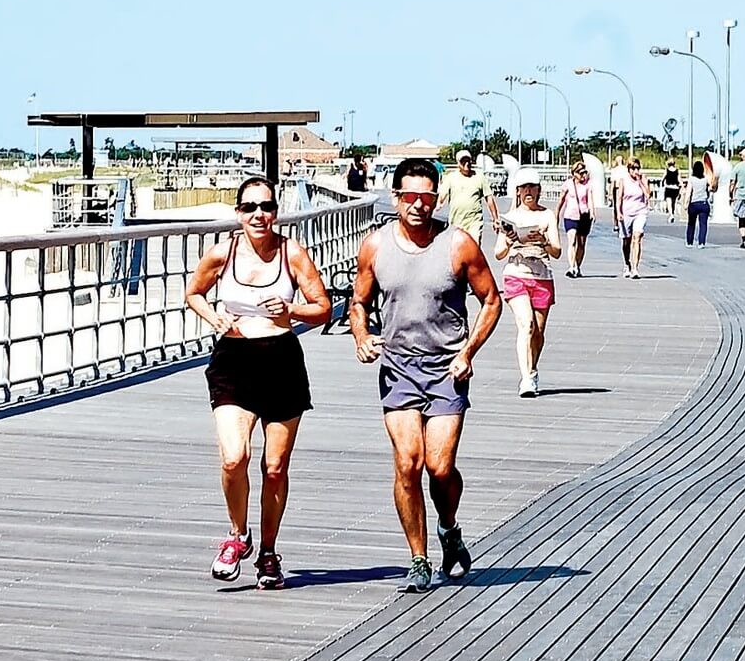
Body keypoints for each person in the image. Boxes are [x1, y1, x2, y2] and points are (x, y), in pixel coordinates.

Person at [351, 158, 503, 592]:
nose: (418, 205)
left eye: (427, 197)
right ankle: (418, 558)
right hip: (398, 367)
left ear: (438, 198)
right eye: (409, 196)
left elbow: (491, 300)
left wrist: (469, 351)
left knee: (440, 468)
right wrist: (361, 335)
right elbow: (358, 301)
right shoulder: (376, 246)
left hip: (446, 369)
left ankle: (449, 529)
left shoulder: (458, 245)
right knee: (408, 463)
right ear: (395, 196)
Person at [184, 176, 334, 590]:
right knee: (234, 458)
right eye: (249, 208)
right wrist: (213, 317)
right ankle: (237, 535)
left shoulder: (292, 254)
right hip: (234, 361)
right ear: (238, 213)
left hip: (282, 362)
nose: (259, 215)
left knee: (274, 466)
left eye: (266, 207)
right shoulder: (223, 252)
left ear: (276, 211)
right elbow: (193, 292)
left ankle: (268, 551)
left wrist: (292, 311)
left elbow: (324, 307)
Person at [496, 166, 562, 396]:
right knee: (526, 324)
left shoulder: (547, 215)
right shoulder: (510, 218)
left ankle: (532, 369)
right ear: (517, 191)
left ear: (539, 190)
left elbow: (557, 251)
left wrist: (543, 240)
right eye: (524, 187)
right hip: (516, 273)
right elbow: (498, 253)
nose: (528, 191)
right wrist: (509, 239)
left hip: (542, 276)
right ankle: (526, 379)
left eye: (532, 187)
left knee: (538, 332)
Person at [440, 148, 499, 240]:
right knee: (458, 251)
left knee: (473, 249)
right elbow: (441, 196)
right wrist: (438, 204)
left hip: (474, 222)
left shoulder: (479, 177)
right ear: (458, 163)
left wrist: (495, 219)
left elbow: (489, 198)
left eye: (468, 160)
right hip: (456, 223)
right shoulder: (451, 177)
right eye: (463, 161)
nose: (466, 163)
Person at [557, 159, 594, 278]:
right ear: (574, 173)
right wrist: (557, 212)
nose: (583, 175)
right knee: (572, 240)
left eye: (584, 172)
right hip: (570, 216)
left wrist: (592, 212)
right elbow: (562, 199)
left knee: (581, 244)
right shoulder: (568, 184)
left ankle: (578, 266)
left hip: (584, 216)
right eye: (580, 173)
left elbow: (590, 199)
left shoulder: (588, 184)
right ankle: (571, 266)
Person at [617, 157, 650, 277]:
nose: (635, 170)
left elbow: (648, 194)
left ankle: (635, 268)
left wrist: (640, 182)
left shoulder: (643, 179)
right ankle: (627, 263)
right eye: (633, 168)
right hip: (626, 213)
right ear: (629, 169)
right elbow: (619, 197)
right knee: (626, 241)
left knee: (637, 237)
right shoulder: (623, 180)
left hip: (640, 212)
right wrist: (618, 212)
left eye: (637, 168)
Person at [686, 159, 714, 246]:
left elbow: (688, 192)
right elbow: (711, 187)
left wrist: (686, 203)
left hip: (694, 203)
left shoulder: (691, 179)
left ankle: (689, 242)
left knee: (691, 224)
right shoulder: (705, 179)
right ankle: (701, 242)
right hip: (703, 203)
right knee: (703, 224)